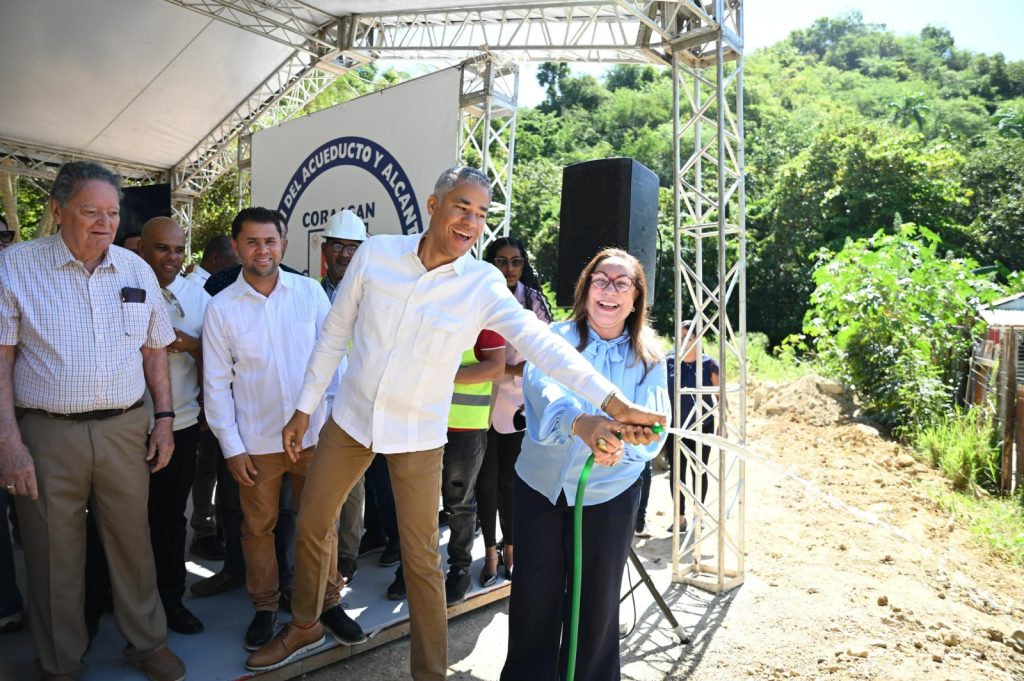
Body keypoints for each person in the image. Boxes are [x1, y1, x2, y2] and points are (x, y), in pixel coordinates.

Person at [246, 166, 663, 679]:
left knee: (422, 559)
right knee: (312, 521)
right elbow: (334, 334)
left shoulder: (482, 283)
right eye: (462, 206)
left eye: (482, 213)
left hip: (418, 434)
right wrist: (304, 408)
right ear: (433, 203)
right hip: (351, 421)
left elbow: (541, 343)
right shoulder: (376, 255)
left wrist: (614, 403)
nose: (472, 221)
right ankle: (305, 623)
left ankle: (430, 674)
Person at [0, 161, 186, 681]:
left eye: (111, 212)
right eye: (90, 211)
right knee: (52, 553)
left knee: (133, 541)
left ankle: (146, 643)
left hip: (125, 428)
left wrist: (165, 419)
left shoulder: (135, 270)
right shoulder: (15, 267)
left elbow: (155, 351)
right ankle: (60, 661)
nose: (104, 223)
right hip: (46, 432)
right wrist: (8, 441)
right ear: (58, 211)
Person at [500, 248, 668, 681]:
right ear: (585, 289)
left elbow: (653, 423)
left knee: (595, 607)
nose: (609, 290)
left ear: (635, 299)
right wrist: (581, 423)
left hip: (608, 497)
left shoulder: (649, 356)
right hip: (542, 490)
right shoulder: (551, 337)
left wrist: (627, 442)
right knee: (533, 602)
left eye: (621, 283)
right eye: (600, 280)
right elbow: (545, 394)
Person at [202, 207, 362, 652]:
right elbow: (215, 385)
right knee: (258, 529)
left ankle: (328, 604)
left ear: (284, 244)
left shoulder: (310, 293)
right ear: (236, 248)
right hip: (257, 443)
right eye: (252, 242)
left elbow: (333, 363)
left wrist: (330, 426)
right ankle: (266, 608)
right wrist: (232, 448)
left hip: (315, 439)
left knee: (321, 525)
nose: (262, 250)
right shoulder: (221, 308)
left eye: (270, 241)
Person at [476, 236, 553, 586]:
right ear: (490, 262)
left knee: (510, 482)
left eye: (516, 261)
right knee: (485, 483)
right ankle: (489, 551)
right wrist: (502, 370)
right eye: (501, 261)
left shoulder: (534, 300)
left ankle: (512, 547)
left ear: (524, 264)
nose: (508, 268)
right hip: (476, 401)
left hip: (518, 403)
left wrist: (508, 372)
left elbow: (547, 353)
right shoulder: (475, 294)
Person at [319, 209, 369, 585]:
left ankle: (347, 555)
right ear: (325, 249)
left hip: (355, 400)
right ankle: (322, 553)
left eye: (353, 247)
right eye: (338, 245)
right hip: (317, 402)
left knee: (353, 486)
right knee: (316, 483)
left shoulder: (372, 296)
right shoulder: (309, 292)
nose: (345, 254)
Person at [184, 233, 238, 561]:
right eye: (235, 260)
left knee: (220, 467)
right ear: (216, 259)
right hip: (201, 395)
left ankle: (216, 526)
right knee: (207, 466)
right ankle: (204, 530)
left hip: (225, 394)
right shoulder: (195, 291)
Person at [667, 319, 720, 533]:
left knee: (699, 470)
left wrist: (723, 423)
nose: (683, 342)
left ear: (699, 338)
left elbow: (721, 396)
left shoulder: (710, 365)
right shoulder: (668, 363)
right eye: (680, 338)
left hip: (702, 427)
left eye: (688, 337)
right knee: (676, 473)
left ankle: (699, 516)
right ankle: (679, 518)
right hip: (674, 427)